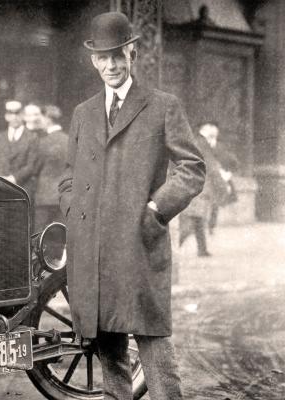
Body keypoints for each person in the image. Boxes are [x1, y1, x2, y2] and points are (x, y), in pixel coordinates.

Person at [58, 12, 206, 400]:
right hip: (92, 248)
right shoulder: (83, 113)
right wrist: (73, 209)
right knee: (109, 350)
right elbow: (69, 175)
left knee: (155, 347)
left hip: (138, 244)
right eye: (103, 58)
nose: (111, 65)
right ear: (93, 60)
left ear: (132, 52)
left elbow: (192, 168)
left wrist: (157, 210)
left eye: (118, 56)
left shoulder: (161, 106)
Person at [179, 122, 229, 255]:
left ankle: (202, 249)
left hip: (193, 184)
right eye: (213, 133)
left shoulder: (197, 141)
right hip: (200, 186)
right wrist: (222, 185)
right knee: (193, 219)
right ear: (207, 129)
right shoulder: (203, 144)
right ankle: (175, 244)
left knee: (198, 218)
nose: (215, 135)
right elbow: (211, 166)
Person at [0, 100, 40, 199]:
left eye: (18, 114)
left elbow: (31, 165)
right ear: (6, 116)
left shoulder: (32, 137)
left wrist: (13, 178)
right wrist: (1, 178)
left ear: (23, 116)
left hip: (22, 189)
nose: (14, 117)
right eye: (10, 114)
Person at [33, 104, 68, 231]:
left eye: (41, 117)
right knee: (58, 236)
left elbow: (34, 168)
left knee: (39, 236)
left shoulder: (43, 142)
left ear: (48, 119)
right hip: (62, 197)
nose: (39, 121)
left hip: (44, 197)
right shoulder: (68, 140)